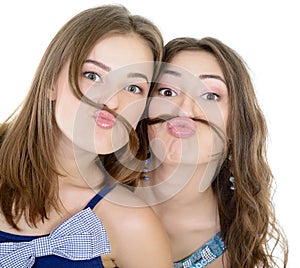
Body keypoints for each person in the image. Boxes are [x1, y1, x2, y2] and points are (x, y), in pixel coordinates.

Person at [0, 5, 173, 268]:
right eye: (93, 75)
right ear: (50, 83)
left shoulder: (131, 223)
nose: (113, 101)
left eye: (133, 87)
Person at [137, 37, 288, 267]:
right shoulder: (98, 191)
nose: (184, 110)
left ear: (235, 125)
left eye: (210, 96)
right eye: (167, 92)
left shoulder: (231, 250)